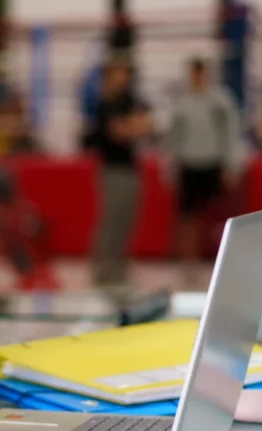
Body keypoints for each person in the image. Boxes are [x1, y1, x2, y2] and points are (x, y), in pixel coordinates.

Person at [164, 57, 243, 281]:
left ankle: (222, 261)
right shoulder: (182, 103)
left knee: (216, 216)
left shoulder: (220, 102)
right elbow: (173, 138)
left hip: (213, 163)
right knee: (188, 216)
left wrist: (232, 165)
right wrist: (170, 167)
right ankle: (189, 263)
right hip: (189, 164)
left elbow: (231, 134)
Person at [90, 56, 151, 286]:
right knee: (111, 220)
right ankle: (102, 269)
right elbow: (120, 133)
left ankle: (119, 266)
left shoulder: (130, 101)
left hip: (130, 167)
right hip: (112, 170)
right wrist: (133, 126)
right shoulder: (105, 104)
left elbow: (146, 125)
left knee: (127, 219)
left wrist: (133, 126)